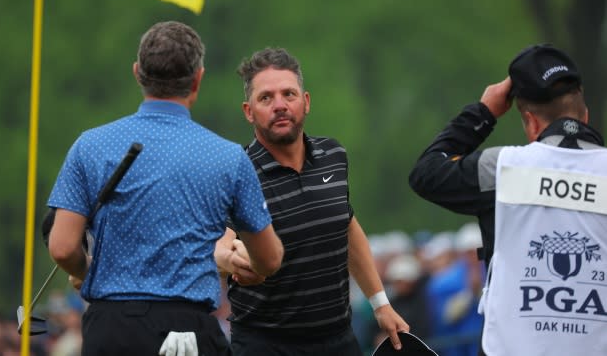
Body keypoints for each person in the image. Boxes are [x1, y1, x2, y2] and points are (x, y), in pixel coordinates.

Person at [47, 21, 284, 356]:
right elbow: (270, 258)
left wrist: (87, 272)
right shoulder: (228, 156)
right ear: (198, 78)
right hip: (185, 331)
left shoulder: (90, 146)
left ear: (137, 73)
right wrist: (248, 269)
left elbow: (61, 247)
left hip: (109, 328)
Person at [409, 44, 607, 355]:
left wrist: (484, 113)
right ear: (587, 116)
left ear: (531, 123)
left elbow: (426, 173)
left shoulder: (503, 168)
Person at [214, 47, 409, 356]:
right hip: (266, 345)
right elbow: (219, 245)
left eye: (288, 94)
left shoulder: (334, 155)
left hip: (338, 337)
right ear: (249, 111)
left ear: (305, 103)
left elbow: (346, 228)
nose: (279, 105)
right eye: (266, 98)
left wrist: (380, 304)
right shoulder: (236, 172)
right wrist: (230, 260)